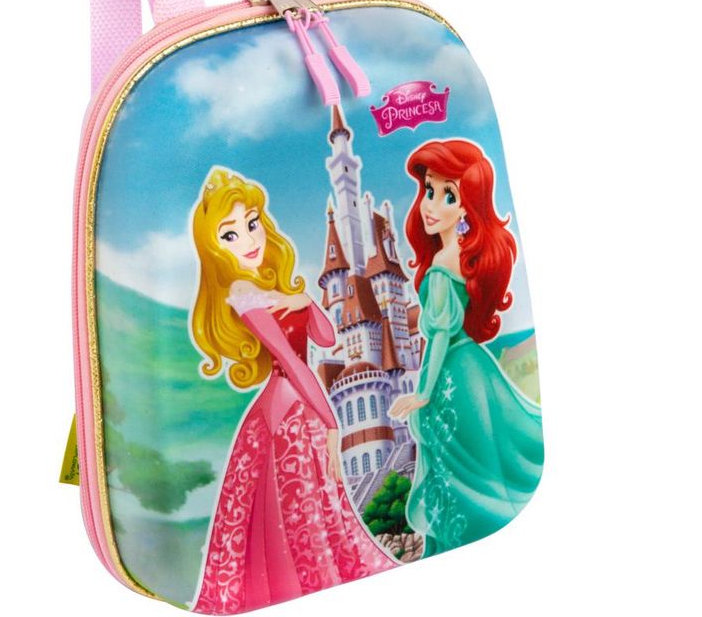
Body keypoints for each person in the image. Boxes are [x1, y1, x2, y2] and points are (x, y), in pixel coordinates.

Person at [190, 168, 396, 614]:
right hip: (285, 413)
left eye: (252, 224)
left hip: (302, 407)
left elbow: (326, 337)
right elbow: (290, 361)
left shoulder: (271, 285)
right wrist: (333, 424)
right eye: (230, 235)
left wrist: (304, 301)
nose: (248, 240)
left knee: (313, 505)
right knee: (294, 506)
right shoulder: (242, 292)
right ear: (214, 248)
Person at [388, 140, 543, 558]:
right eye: (430, 190)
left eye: (448, 195)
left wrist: (423, 393)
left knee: (459, 473)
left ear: (465, 209)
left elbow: (439, 337)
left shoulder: (442, 267)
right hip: (475, 366)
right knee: (487, 459)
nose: (431, 204)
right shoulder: (464, 259)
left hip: (452, 377)